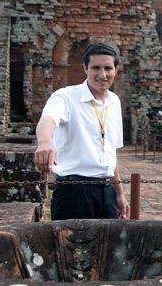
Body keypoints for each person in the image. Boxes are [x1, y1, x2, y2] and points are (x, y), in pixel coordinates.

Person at [34, 43, 130, 220]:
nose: (103, 75)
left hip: (106, 191)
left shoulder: (114, 101)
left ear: (116, 70)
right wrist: (45, 142)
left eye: (108, 68)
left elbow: (111, 154)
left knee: (110, 239)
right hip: (73, 193)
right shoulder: (66, 97)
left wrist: (119, 194)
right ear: (85, 68)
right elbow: (48, 119)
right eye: (96, 68)